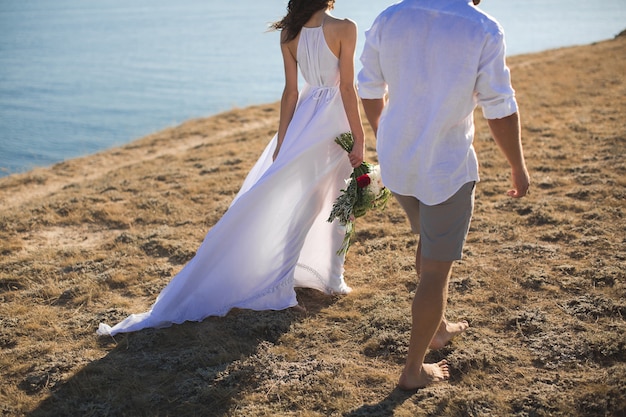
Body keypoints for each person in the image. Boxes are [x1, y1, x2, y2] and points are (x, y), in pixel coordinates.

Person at [98, 0, 365, 336]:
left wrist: (283, 141)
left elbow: (291, 92)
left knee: (317, 200)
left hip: (305, 122)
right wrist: (359, 137)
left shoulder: (289, 32)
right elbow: (345, 87)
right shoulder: (345, 27)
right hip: (332, 121)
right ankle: (310, 281)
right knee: (334, 198)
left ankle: (319, 277)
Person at [357, 0, 530, 389]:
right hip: (445, 168)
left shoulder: (390, 17)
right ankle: (414, 370)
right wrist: (518, 166)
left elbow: (368, 86)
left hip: (398, 163)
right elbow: (499, 107)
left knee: (428, 241)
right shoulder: (483, 28)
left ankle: (439, 328)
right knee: (435, 271)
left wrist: (387, 132)